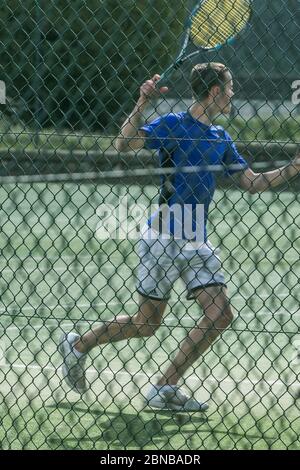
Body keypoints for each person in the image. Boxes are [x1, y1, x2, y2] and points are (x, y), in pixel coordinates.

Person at [59, 62, 300, 411]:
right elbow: (124, 143)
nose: (233, 94)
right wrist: (141, 102)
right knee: (146, 324)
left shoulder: (221, 138)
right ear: (215, 92)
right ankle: (78, 345)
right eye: (230, 88)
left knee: (220, 315)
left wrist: (294, 167)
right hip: (163, 236)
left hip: (196, 238)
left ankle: (164, 386)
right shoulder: (174, 125)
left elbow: (252, 183)